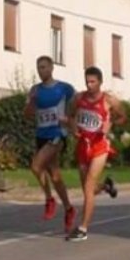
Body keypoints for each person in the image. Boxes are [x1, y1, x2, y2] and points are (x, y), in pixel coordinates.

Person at [65, 66, 125, 242]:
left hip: (100, 147)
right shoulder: (78, 98)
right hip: (83, 146)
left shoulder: (109, 101)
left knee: (89, 188)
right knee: (87, 189)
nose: (89, 85)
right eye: (87, 81)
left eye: (93, 82)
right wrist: (73, 127)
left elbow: (123, 117)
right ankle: (106, 187)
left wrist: (111, 123)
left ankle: (82, 229)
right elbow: (69, 116)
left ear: (100, 82)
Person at [24, 56, 77, 233]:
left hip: (57, 134)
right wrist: (31, 100)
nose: (41, 71)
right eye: (39, 68)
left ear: (52, 68)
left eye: (44, 67)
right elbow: (28, 114)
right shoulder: (35, 90)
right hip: (41, 134)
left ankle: (49, 199)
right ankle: (69, 208)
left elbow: (77, 107)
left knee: (36, 166)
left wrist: (70, 123)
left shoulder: (64, 89)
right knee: (55, 176)